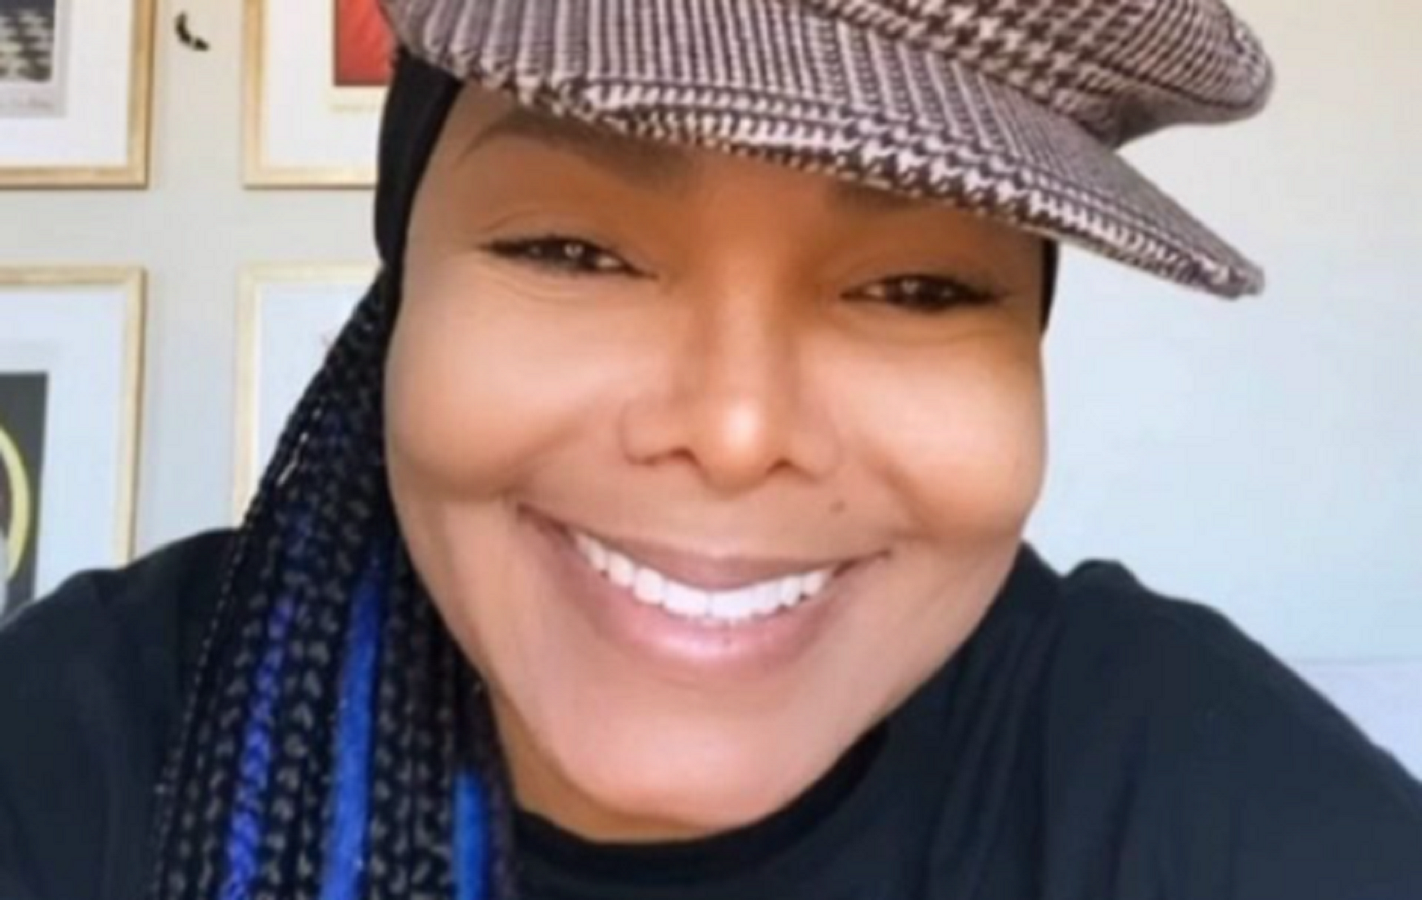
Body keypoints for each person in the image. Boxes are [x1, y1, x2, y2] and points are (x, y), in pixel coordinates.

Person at [2, 1, 1420, 899]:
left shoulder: (1192, 790)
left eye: (915, 286)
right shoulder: (83, 750)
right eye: (572, 250)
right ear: (405, 292)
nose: (737, 433)